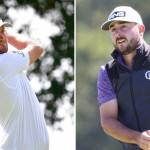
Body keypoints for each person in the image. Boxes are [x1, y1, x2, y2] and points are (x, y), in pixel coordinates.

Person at [97, 6, 150, 150]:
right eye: (113, 29)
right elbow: (108, 121)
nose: (118, 33)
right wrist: (137, 138)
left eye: (124, 26)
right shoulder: (107, 73)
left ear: (141, 29)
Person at [0, 18, 49, 150]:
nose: (1, 37)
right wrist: (8, 35)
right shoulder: (4, 62)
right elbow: (37, 48)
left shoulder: (7, 62)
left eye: (2, 31)